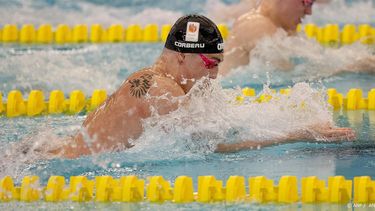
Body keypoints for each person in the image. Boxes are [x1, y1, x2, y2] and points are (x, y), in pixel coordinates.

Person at [42, 14, 354, 159]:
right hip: (66, 167)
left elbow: (224, 126)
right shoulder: (161, 89)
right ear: (180, 57)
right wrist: (295, 134)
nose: (215, 75)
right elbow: (210, 146)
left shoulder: (157, 81)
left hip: (54, 151)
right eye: (210, 64)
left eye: (218, 64)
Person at [219, 0, 375, 75]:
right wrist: (350, 67)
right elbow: (288, 74)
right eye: (307, 2)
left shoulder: (280, 26)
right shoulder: (255, 24)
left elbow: (312, 59)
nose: (309, 12)